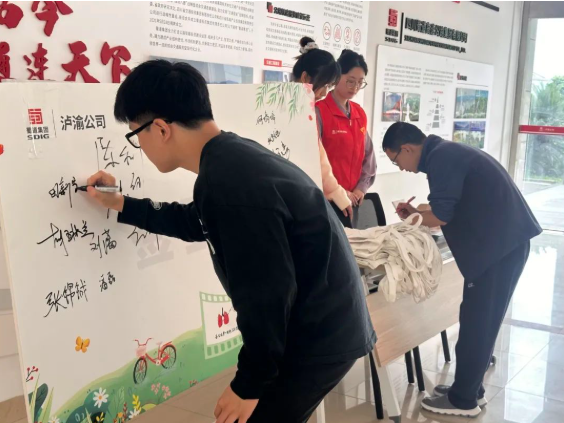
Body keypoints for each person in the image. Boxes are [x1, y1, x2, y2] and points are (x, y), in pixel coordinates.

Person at [84, 60, 376, 423]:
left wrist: (249, 384)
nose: (139, 146)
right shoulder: (230, 158)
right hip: (324, 320)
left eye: (136, 135)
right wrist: (121, 204)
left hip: (317, 333)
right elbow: (197, 220)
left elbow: (266, 294)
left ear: (160, 129)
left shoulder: (229, 183)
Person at [382, 122, 542, 418]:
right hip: (503, 244)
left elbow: (441, 216)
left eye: (396, 160)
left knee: (477, 323)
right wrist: (417, 213)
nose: (400, 167)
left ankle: (463, 400)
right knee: (477, 319)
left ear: (407, 149)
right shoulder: (445, 152)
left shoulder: (441, 158)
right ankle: (470, 388)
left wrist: (413, 220)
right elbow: (448, 208)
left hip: (498, 249)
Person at [292, 36, 353, 220]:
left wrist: (335, 191)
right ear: (305, 78)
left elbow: (318, 156)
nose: (325, 93)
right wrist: (335, 191)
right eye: (324, 85)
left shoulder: (304, 109)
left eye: (329, 86)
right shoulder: (293, 110)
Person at [316, 49, 376, 228]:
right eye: (350, 81)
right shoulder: (319, 111)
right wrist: (339, 192)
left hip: (353, 200)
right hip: (327, 200)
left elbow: (368, 156)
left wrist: (361, 188)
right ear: (337, 77)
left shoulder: (359, 114)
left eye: (360, 82)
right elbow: (314, 161)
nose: (355, 87)